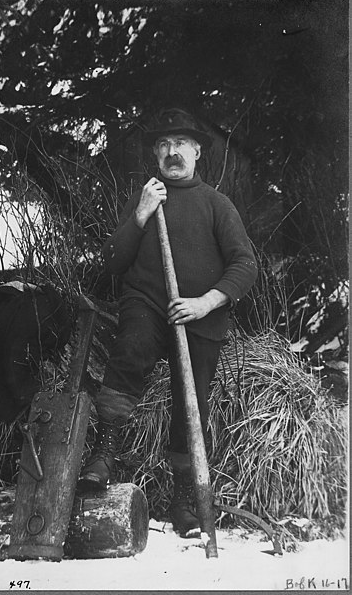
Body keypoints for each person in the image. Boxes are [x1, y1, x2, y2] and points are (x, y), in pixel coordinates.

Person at [78, 108, 258, 537]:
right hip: (147, 301)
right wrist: (140, 214)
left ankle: (184, 498)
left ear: (197, 151)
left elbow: (245, 264)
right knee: (131, 349)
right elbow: (113, 265)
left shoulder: (217, 204)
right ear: (156, 154)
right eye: (163, 145)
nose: (171, 151)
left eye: (180, 144)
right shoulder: (145, 198)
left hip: (199, 314)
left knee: (191, 396)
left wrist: (206, 303)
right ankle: (104, 454)